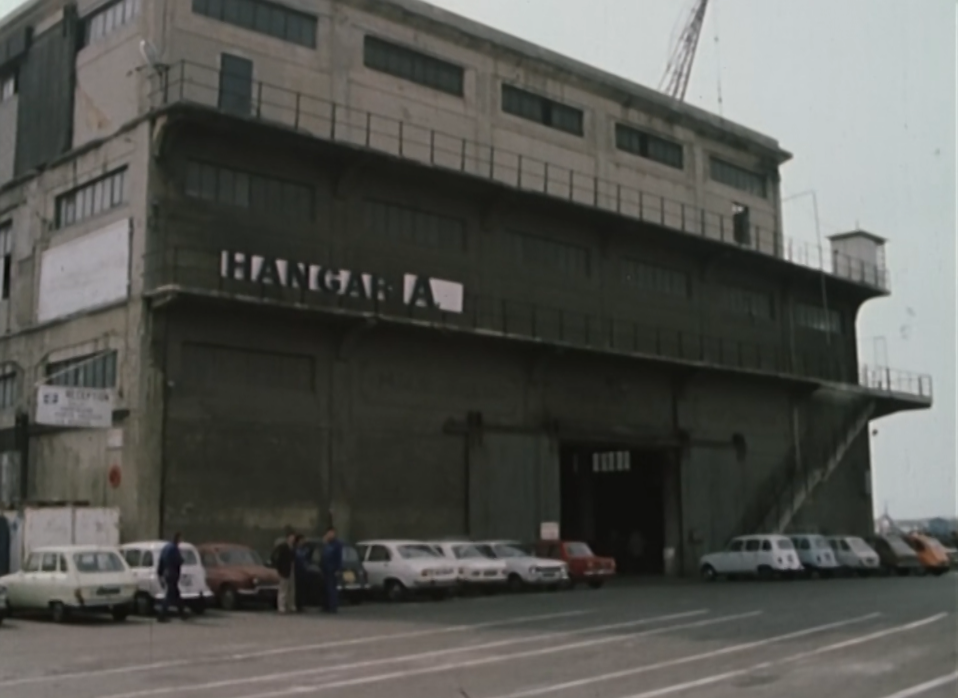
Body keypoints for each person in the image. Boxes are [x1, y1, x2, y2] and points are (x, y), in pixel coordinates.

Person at [157, 532, 187, 622]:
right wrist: (182, 560)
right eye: (180, 539)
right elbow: (178, 561)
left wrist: (160, 573)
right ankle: (161, 615)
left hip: (167, 573)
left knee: (177, 594)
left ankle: (182, 613)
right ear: (177, 539)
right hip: (172, 573)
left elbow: (161, 560)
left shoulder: (166, 548)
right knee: (169, 595)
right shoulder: (174, 549)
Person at [319, 527, 343, 614]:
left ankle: (333, 606)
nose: (330, 535)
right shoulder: (325, 543)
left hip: (332, 569)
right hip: (324, 568)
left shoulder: (337, 544)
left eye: (332, 533)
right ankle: (325, 606)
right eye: (329, 533)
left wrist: (338, 569)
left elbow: (338, 558)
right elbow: (321, 555)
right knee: (324, 588)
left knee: (331, 588)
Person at [271, 532, 297, 614]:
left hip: (291, 569)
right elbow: (277, 558)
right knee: (283, 589)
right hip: (284, 570)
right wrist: (279, 569)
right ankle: (281, 606)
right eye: (291, 537)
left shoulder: (293, 547)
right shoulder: (283, 547)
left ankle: (290, 605)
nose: (293, 539)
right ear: (288, 538)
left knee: (291, 589)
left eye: (294, 537)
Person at [293, 535, 308, 613]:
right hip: (296, 571)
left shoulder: (305, 550)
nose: (303, 542)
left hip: (303, 571)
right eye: (301, 540)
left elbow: (307, 559)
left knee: (302, 589)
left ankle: (301, 604)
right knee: (296, 589)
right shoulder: (295, 550)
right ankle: (296, 604)